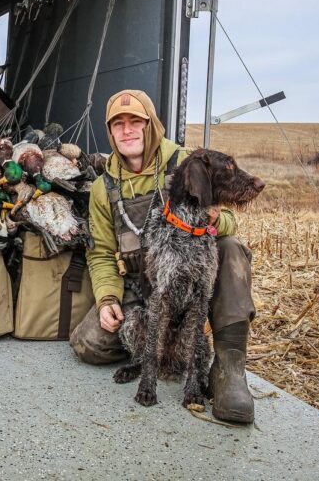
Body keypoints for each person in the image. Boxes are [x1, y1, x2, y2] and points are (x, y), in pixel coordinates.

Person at [69, 89, 257, 423]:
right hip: (142, 288)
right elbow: (99, 252)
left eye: (135, 122)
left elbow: (229, 220)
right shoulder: (104, 186)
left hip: (192, 276)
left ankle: (229, 369)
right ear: (110, 132)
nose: (127, 130)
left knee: (231, 248)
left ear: (151, 125)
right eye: (118, 124)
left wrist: (215, 220)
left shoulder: (185, 163)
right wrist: (107, 298)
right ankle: (161, 353)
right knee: (89, 344)